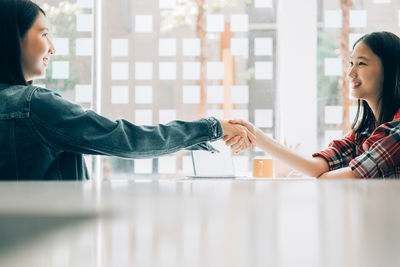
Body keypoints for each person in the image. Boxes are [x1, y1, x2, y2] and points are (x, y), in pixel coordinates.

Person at [0, 0, 255, 180]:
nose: (52, 48)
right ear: (12, 39)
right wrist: (211, 128)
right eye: (44, 34)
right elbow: (128, 140)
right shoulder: (34, 107)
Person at [226, 31, 400, 178]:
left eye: (361, 63)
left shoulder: (397, 130)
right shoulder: (364, 131)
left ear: (390, 69)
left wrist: (307, 176)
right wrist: (254, 134)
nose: (351, 73)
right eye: (351, 63)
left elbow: (345, 179)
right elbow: (316, 167)